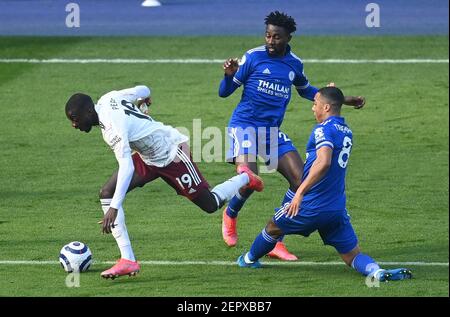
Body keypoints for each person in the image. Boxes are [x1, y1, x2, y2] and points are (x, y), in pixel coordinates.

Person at [65, 85, 264, 279]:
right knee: (106, 192)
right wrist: (142, 100)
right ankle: (128, 260)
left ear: (89, 111)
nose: (74, 125)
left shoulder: (111, 128)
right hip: (147, 157)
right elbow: (143, 89)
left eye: (75, 119)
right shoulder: (109, 98)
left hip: (172, 153)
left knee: (210, 204)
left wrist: (114, 208)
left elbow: (127, 167)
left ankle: (246, 176)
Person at [218, 11, 366, 260]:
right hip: (244, 126)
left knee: (301, 182)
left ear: (288, 38)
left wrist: (344, 99)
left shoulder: (294, 64)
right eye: (268, 35)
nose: (271, 41)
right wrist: (229, 75)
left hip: (272, 132)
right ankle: (231, 214)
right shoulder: (253, 58)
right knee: (250, 178)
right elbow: (225, 92)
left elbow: (309, 92)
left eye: (277, 37)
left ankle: (276, 239)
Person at [237, 86, 412, 282]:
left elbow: (324, 161)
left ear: (326, 107)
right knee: (352, 255)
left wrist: (300, 193)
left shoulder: (323, 129)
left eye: (316, 103)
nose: (313, 108)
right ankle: (376, 271)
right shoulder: (346, 131)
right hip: (335, 208)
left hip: (311, 205)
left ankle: (248, 259)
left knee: (273, 227)